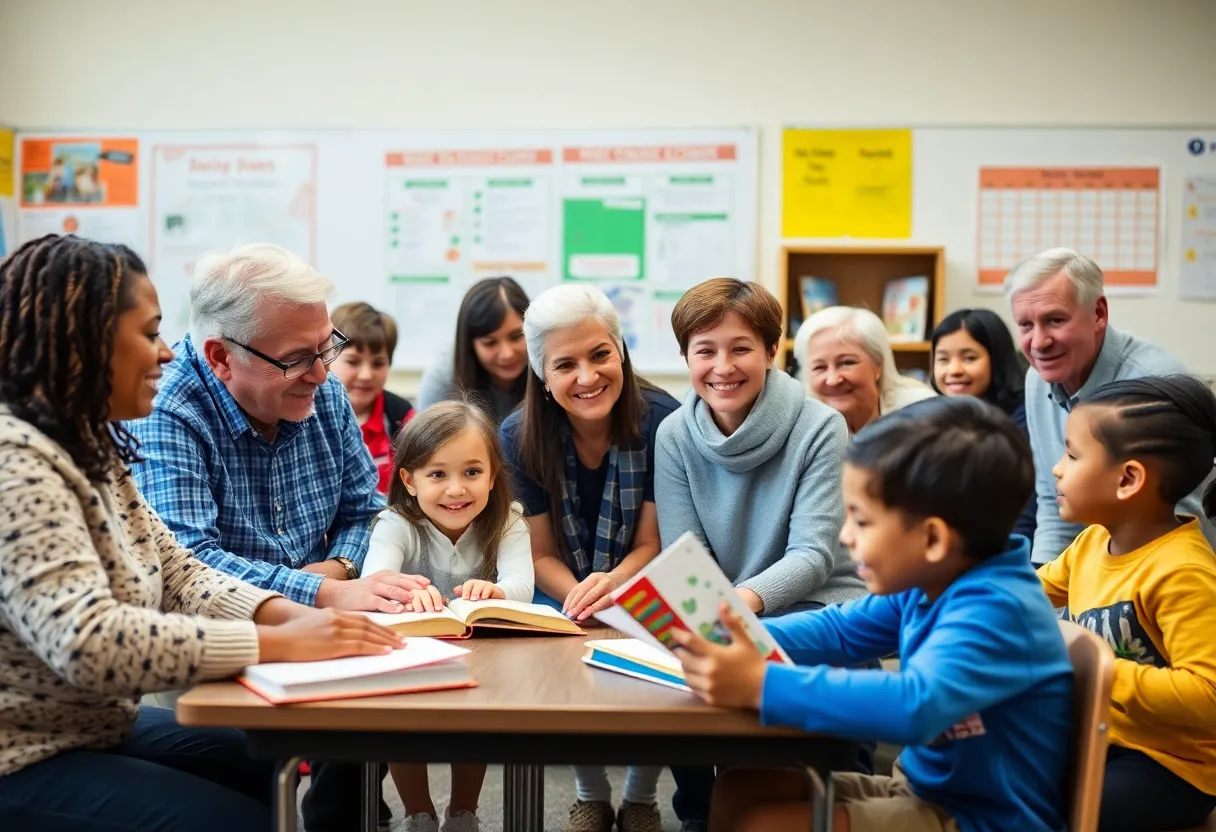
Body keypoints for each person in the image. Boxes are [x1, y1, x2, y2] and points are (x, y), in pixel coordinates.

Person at [0, 234, 405, 832]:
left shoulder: (92, 444)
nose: (166, 354)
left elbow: (178, 572)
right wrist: (280, 639)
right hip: (25, 751)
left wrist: (283, 612)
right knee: (244, 820)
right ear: (83, 346)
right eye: (148, 334)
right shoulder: (17, 461)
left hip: (94, 721)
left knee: (273, 774)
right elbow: (88, 642)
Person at [675, 396, 1074, 832]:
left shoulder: (999, 610)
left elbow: (915, 705)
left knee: (767, 824)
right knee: (739, 789)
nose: (845, 536)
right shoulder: (936, 578)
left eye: (861, 522)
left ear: (933, 539)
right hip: (926, 792)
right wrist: (740, 633)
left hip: (983, 818)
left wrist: (761, 683)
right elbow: (841, 630)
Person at [128, 243, 421, 831]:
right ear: (220, 358)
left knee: (373, 719)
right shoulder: (163, 411)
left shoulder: (318, 383)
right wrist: (318, 595)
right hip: (212, 637)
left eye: (326, 347)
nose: (322, 371)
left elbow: (367, 511)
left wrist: (331, 576)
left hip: (315, 620)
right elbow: (189, 565)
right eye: (298, 358)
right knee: (252, 780)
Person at [654, 278, 866, 830]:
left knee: (787, 756)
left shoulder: (821, 425)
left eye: (741, 347)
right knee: (678, 678)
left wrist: (733, 607)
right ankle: (698, 815)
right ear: (686, 358)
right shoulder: (674, 433)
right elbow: (686, 553)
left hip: (815, 607)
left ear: (773, 352)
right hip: (726, 609)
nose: (723, 366)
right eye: (705, 350)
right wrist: (717, 616)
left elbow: (813, 555)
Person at [500, 283, 678, 832]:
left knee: (659, 636)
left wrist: (615, 586)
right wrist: (583, 596)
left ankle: (642, 795)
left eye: (600, 354)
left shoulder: (663, 421)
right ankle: (590, 792)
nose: (587, 376)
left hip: (645, 574)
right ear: (543, 377)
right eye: (565, 364)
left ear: (621, 351)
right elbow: (540, 553)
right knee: (556, 640)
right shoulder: (517, 435)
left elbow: (653, 544)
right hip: (561, 583)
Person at [1037, 375, 1216, 832]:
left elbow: (1208, 697)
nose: (1058, 469)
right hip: (1102, 733)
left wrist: (1096, 672)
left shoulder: (1184, 572)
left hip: (1171, 765)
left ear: (1128, 479)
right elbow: (1030, 593)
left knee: (1060, 813)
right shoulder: (1092, 542)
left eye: (1073, 456)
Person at [363, 400, 532, 832]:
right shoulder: (396, 523)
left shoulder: (509, 521)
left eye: (472, 472)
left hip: (481, 656)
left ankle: (463, 813)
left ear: (493, 475)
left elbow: (522, 587)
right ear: (409, 480)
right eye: (438, 474)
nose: (457, 489)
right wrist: (409, 592)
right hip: (409, 655)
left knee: (473, 725)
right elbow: (375, 580)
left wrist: (496, 591)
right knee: (400, 725)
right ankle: (418, 814)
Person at [1006, 247, 1216, 565]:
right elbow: (1052, 502)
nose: (1038, 343)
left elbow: (1183, 521)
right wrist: (1043, 591)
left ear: (1099, 314)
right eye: (1025, 325)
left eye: (1055, 320)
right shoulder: (1037, 377)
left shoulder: (1152, 383)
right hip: (1096, 570)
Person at [930, 308, 1036, 541]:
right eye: (943, 359)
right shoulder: (935, 416)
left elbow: (1024, 515)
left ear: (997, 359)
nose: (954, 370)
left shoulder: (1023, 421)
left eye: (969, 358)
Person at [796, 305, 935, 435]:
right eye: (819, 367)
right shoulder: (799, 424)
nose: (832, 380)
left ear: (878, 363)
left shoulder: (923, 413)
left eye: (846, 363)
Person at [417, 276, 530, 424]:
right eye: (490, 343)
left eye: (516, 336)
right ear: (469, 344)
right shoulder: (443, 378)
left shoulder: (552, 366)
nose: (507, 354)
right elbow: (425, 445)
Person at [331, 301, 415, 493]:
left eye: (378, 364)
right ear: (329, 356)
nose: (366, 375)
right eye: (353, 361)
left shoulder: (401, 417)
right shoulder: (307, 415)